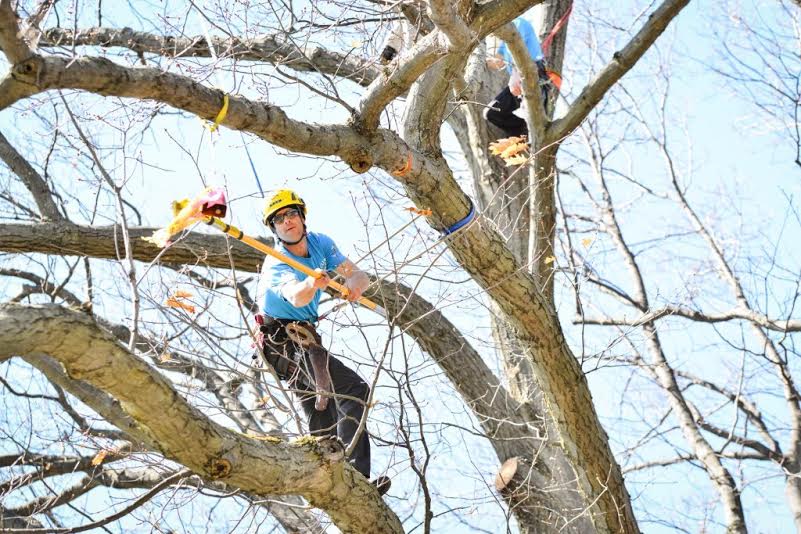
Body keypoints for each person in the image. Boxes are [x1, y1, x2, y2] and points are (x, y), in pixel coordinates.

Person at [254, 189, 390, 495]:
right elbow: (295, 295)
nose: (286, 221)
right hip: (284, 341)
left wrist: (354, 287)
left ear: (302, 217)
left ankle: (331, 482)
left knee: (322, 412)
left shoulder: (321, 245)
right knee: (354, 390)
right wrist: (310, 283)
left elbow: (356, 274)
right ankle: (355, 473)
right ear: (274, 228)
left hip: (304, 339)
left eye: (290, 214)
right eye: (278, 219)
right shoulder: (277, 262)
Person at [484, 17, 552, 138]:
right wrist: (475, 57)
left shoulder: (517, 24)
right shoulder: (504, 41)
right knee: (491, 112)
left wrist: (516, 74)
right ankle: (523, 131)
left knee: (536, 121)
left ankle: (532, 136)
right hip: (519, 78)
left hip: (533, 74)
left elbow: (519, 52)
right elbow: (498, 62)